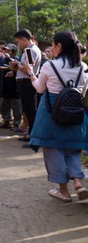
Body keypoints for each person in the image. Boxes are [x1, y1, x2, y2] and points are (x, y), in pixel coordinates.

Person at [24, 30, 88, 202]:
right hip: (75, 112)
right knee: (73, 148)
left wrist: (30, 73)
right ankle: (78, 182)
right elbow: (82, 91)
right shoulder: (83, 67)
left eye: (52, 45)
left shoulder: (49, 66)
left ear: (59, 46)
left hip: (52, 112)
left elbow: (39, 88)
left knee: (53, 150)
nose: (51, 48)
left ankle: (63, 191)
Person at [12, 29, 42, 146]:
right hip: (24, 82)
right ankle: (30, 133)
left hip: (28, 82)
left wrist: (17, 65)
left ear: (24, 39)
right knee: (27, 110)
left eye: (18, 41)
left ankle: (33, 137)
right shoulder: (27, 51)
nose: (18, 44)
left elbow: (27, 69)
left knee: (30, 110)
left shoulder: (31, 51)